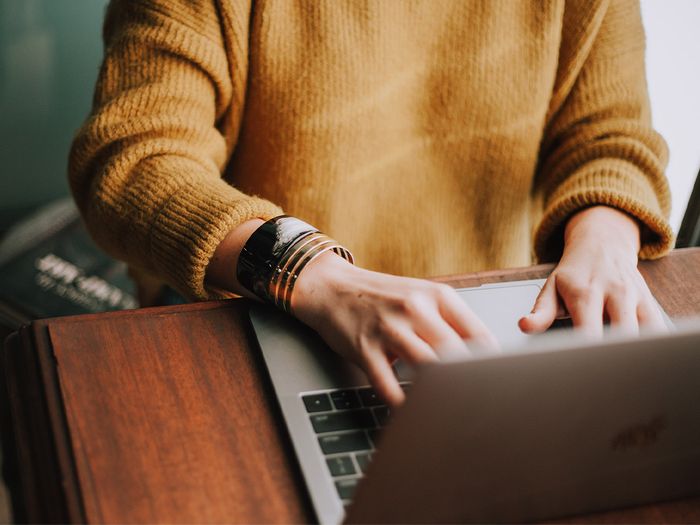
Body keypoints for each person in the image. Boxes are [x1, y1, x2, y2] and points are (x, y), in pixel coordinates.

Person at [68, 0, 673, 406]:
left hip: (485, 330)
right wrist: (313, 273)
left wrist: (606, 238)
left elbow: (611, 136)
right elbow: (133, 159)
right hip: (258, 316)